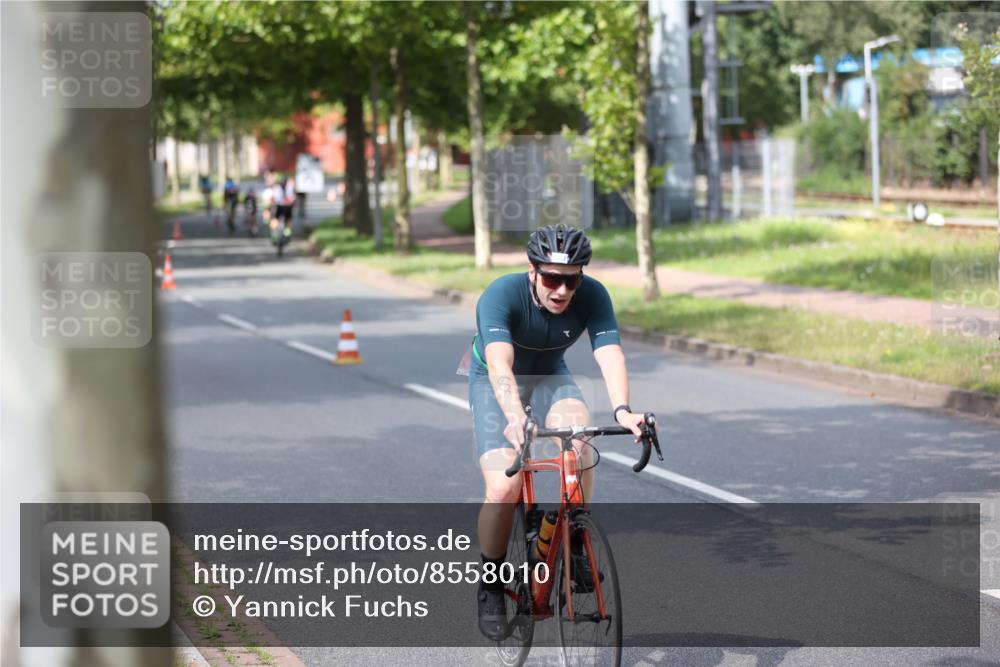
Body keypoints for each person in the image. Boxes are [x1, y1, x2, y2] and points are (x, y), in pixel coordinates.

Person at [468, 223, 645, 640]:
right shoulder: (501, 294)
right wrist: (514, 414)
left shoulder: (594, 294)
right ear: (532, 271)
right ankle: (491, 582)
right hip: (497, 381)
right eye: (551, 279)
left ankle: (577, 536)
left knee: (579, 436)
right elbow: (498, 365)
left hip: (550, 375)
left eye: (571, 279)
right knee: (503, 488)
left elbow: (609, 352)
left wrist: (622, 410)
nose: (562, 290)